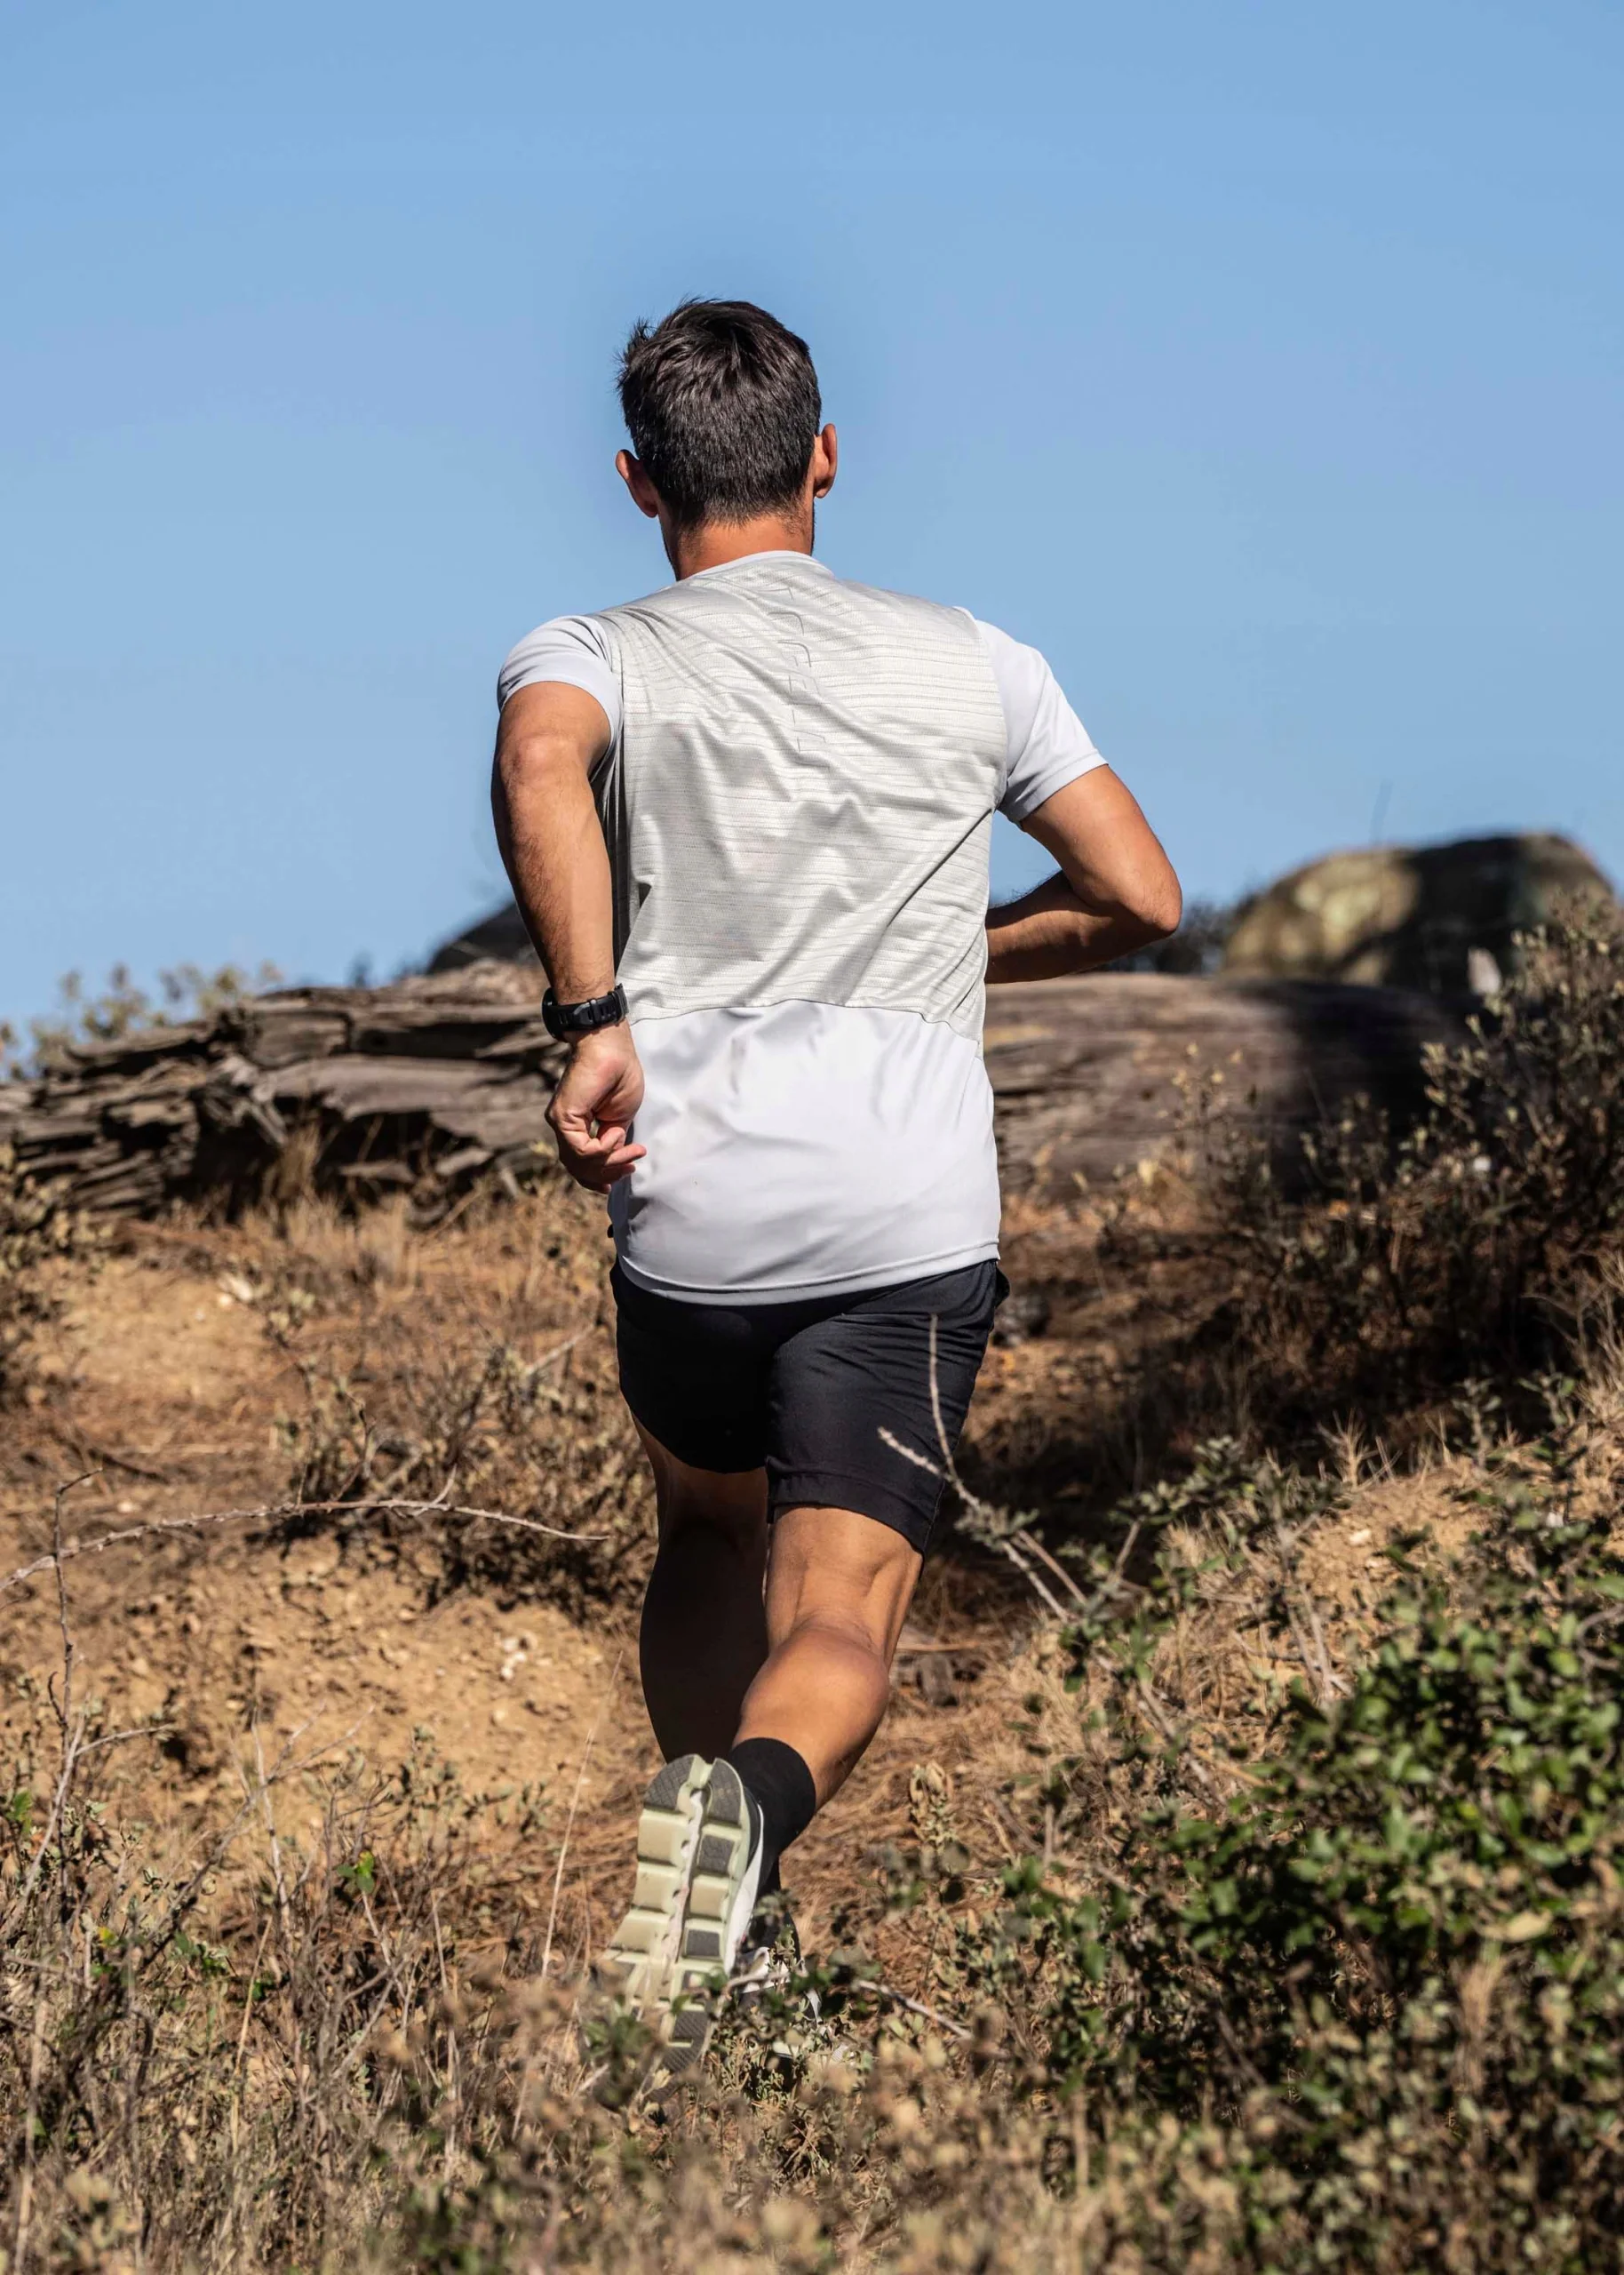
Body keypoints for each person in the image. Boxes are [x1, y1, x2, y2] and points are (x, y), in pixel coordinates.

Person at [491, 300, 1180, 2081]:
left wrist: (592, 1019)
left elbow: (540, 762)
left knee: (704, 1535)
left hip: (691, 1200)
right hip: (902, 1211)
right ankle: (744, 1824)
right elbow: (1140, 895)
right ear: (823, 457)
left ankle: (736, 1922)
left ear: (637, 478)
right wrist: (954, 949)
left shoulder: (589, 649)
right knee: (837, 1614)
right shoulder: (977, 662)